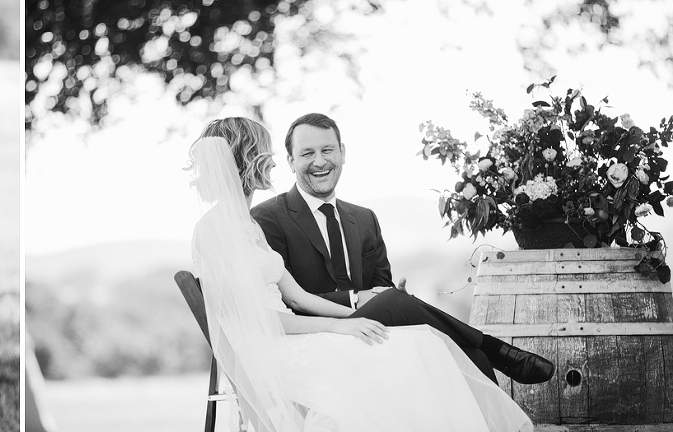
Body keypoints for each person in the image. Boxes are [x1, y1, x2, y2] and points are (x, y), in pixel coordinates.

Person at [189, 117, 533, 431]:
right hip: (274, 353)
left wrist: (360, 313)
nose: (275, 161)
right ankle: (493, 352)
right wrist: (341, 325)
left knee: (419, 331)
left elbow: (298, 296)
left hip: (297, 334)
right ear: (250, 160)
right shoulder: (216, 230)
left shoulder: (248, 226)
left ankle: (487, 366)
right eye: (266, 153)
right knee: (417, 344)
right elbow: (258, 319)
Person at [250, 113, 553, 385]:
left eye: (327, 150)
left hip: (374, 330)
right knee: (454, 342)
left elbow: (381, 287)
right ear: (290, 161)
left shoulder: (364, 218)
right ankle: (496, 348)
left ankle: (490, 365)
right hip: (318, 334)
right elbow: (286, 301)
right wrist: (358, 299)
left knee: (469, 355)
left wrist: (392, 296)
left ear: (342, 153)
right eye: (307, 153)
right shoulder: (267, 218)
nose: (319, 161)